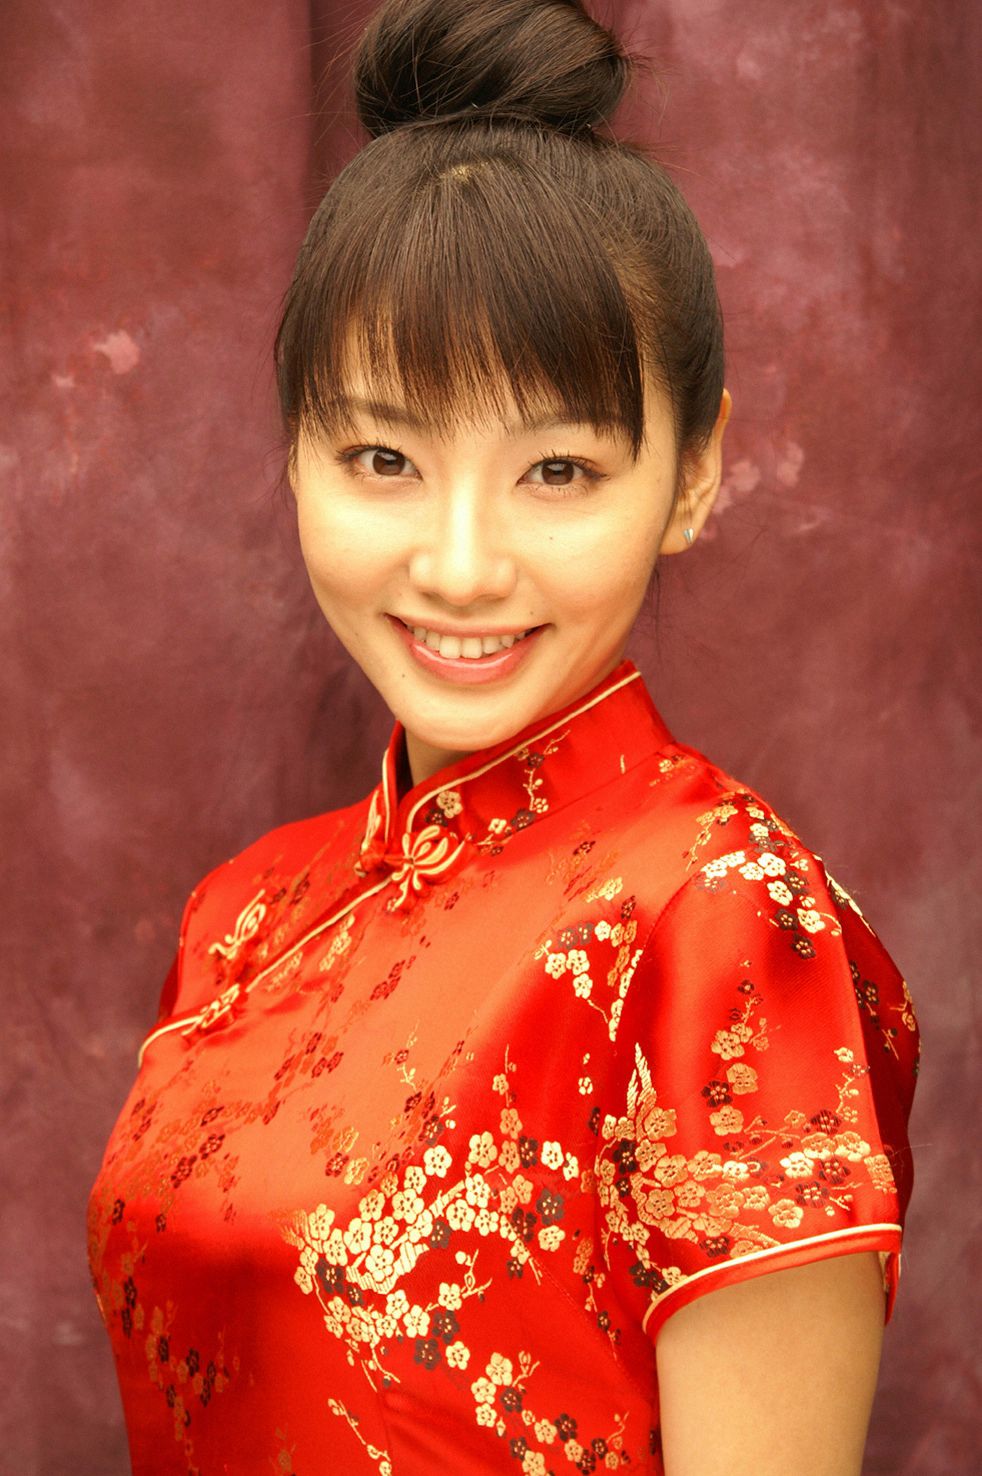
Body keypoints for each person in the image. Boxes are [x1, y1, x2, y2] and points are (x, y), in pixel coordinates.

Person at [87, 2, 919, 1472]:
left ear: (693, 473)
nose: (461, 565)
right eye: (383, 457)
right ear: (293, 455)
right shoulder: (243, 915)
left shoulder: (722, 914)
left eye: (557, 470)